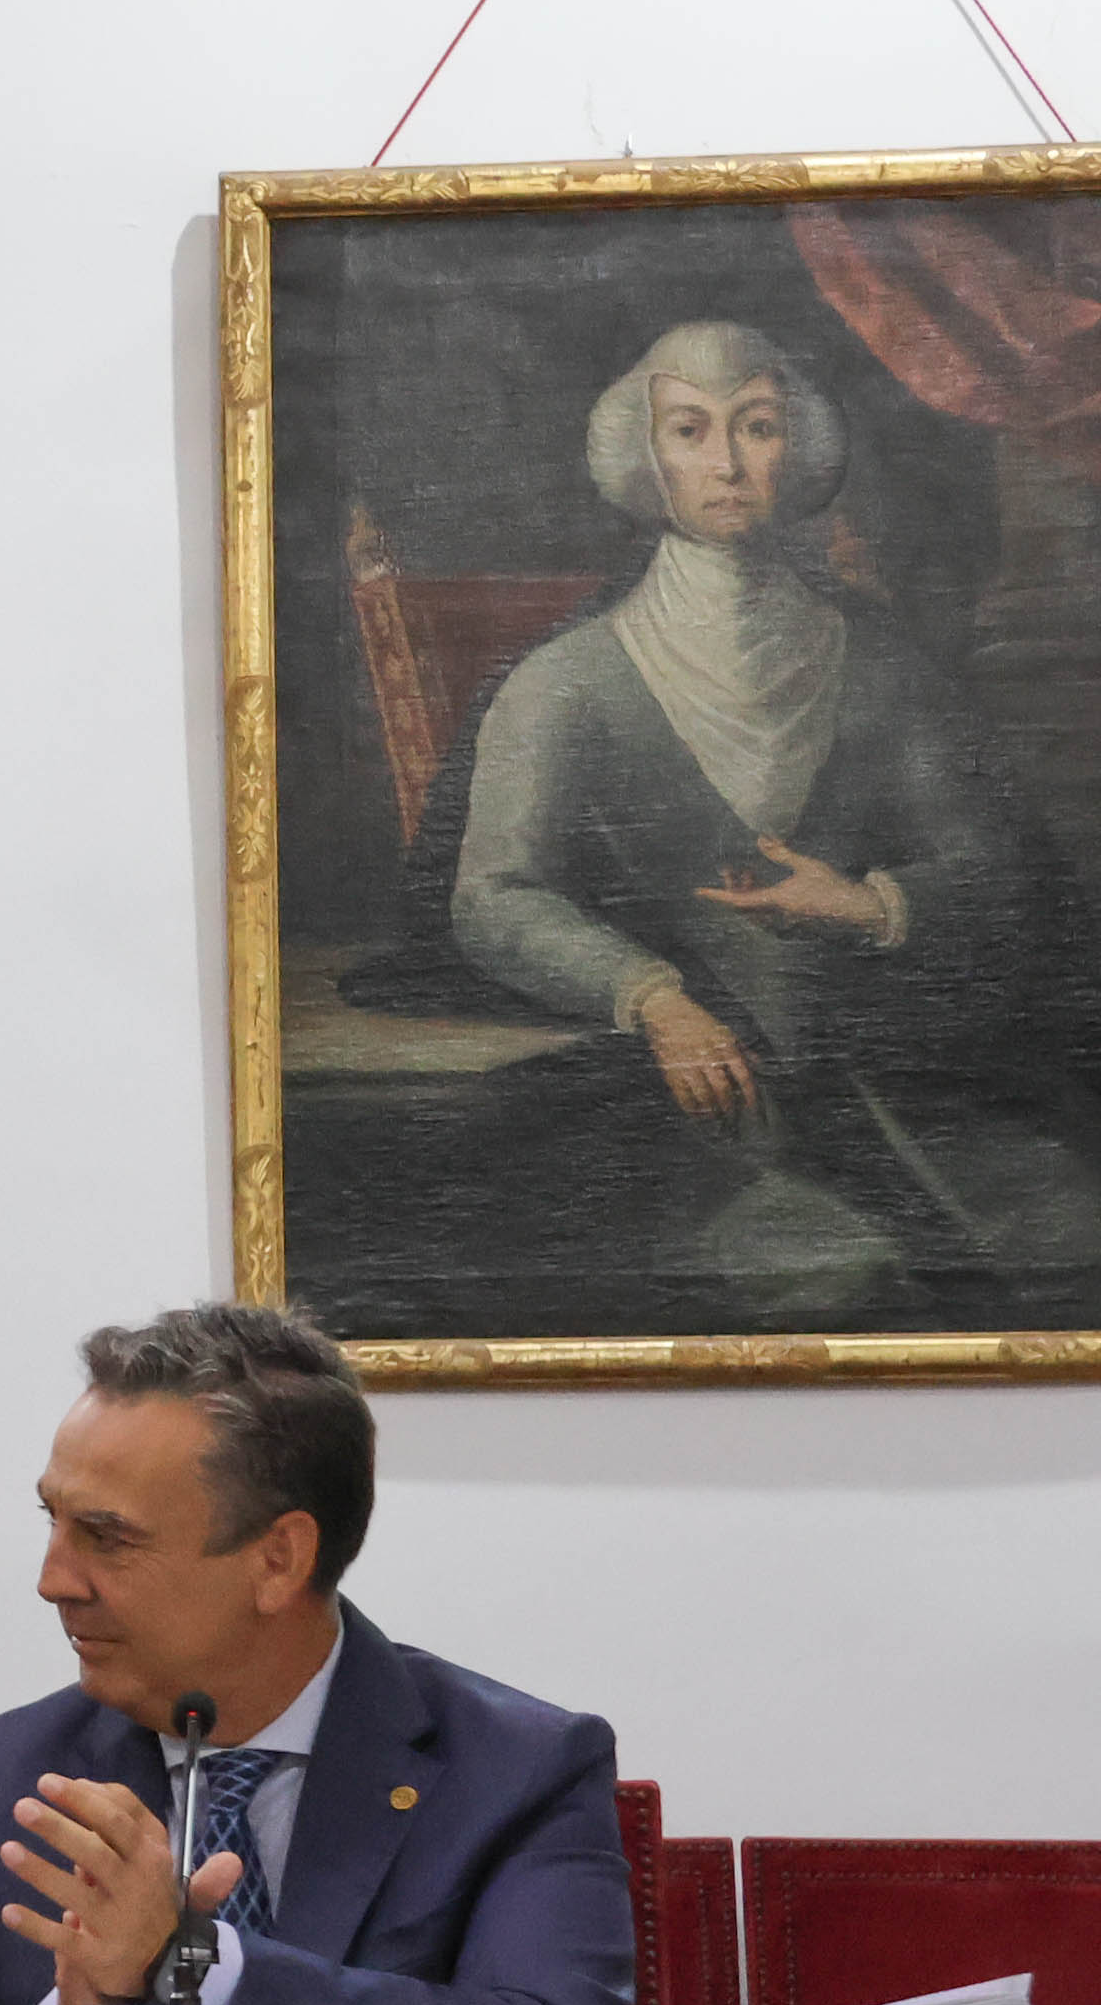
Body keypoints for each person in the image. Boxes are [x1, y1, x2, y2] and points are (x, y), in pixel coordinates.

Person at [451, 320, 1101, 1321]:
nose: (726, 463)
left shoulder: (879, 663)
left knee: (1062, 1237)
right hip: (679, 1100)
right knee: (831, 1278)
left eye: (755, 426)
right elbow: (494, 897)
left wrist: (873, 902)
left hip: (896, 1083)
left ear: (796, 447)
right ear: (645, 455)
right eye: (690, 430)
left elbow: (998, 866)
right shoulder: (565, 682)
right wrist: (652, 998)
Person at [0, 1303, 637, 2005]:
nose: (53, 1579)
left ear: (278, 1559)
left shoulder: (519, 1770)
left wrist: (198, 1965)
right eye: (52, 1521)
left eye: (105, 1537)